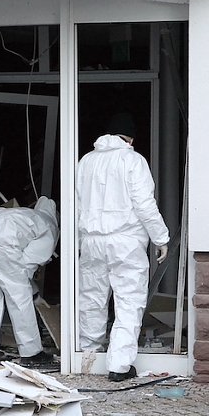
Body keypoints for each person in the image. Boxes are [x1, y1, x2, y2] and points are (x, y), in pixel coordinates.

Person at [76, 112, 170, 382]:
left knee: (92, 300)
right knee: (128, 302)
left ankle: (88, 356)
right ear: (130, 138)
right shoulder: (132, 160)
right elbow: (144, 204)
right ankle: (118, 365)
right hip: (125, 241)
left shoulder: (86, 161)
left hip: (91, 240)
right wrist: (160, 237)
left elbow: (77, 204)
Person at [0, 197, 59, 367]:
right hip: (1, 238)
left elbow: (18, 269)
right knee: (18, 297)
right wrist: (32, 293)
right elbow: (27, 266)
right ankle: (31, 353)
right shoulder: (50, 226)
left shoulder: (26, 215)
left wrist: (30, 288)